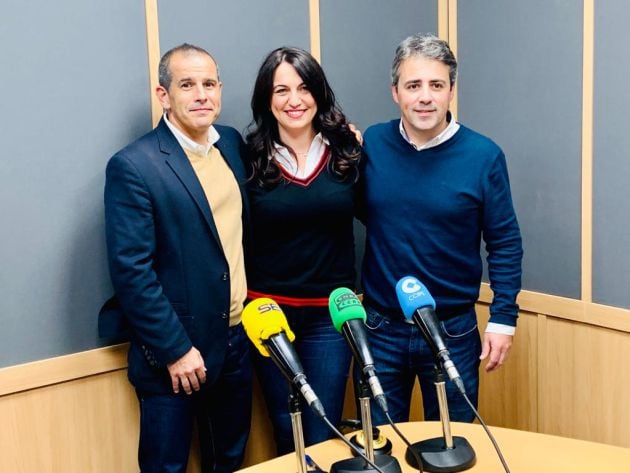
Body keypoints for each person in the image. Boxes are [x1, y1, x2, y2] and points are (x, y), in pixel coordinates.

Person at [100, 43, 251, 473]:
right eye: (187, 84)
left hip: (236, 340)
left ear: (220, 90)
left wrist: (340, 133)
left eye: (209, 84)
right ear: (163, 95)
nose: (201, 94)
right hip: (176, 355)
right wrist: (175, 350)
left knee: (230, 460)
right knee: (166, 467)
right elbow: (132, 271)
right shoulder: (134, 166)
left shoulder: (233, 147)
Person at [358, 33, 523, 424]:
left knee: (453, 446)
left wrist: (503, 319)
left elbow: (505, 243)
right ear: (395, 92)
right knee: (381, 449)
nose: (425, 96)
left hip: (453, 331)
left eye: (436, 85)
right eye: (413, 85)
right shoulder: (373, 144)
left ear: (451, 90)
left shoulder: (484, 156)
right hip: (380, 328)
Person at [244, 46, 362, 454]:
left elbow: (382, 214)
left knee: (323, 426)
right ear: (266, 99)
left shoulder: (348, 153)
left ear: (319, 94)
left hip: (330, 316)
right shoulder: (246, 158)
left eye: (304, 87)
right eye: (281, 90)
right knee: (286, 425)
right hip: (268, 315)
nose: (294, 100)